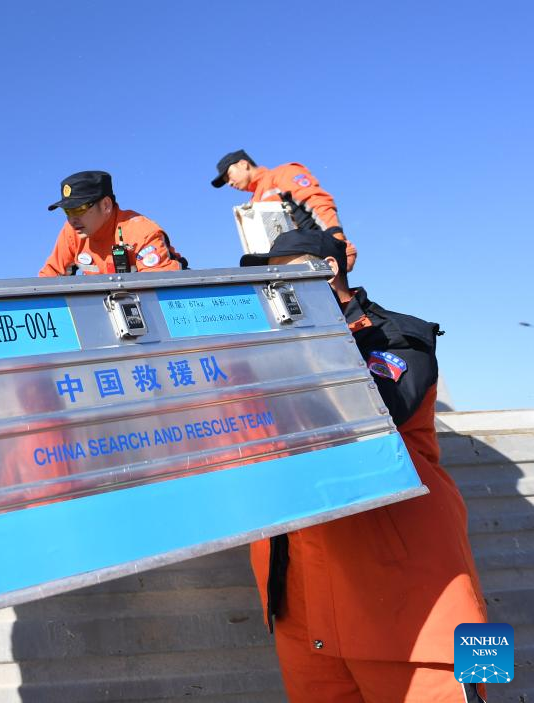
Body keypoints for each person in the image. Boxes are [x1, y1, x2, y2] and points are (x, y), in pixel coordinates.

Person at [240, 229, 487, 702]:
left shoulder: (398, 334)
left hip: (417, 603)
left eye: (281, 270)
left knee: (472, 679)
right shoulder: (261, 352)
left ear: (326, 270)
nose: (270, 285)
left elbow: (369, 416)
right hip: (302, 611)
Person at [213, 149, 358, 271]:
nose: (229, 183)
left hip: (318, 254)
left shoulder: (282, 174)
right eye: (226, 181)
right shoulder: (253, 203)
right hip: (289, 268)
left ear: (243, 164)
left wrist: (337, 239)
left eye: (229, 175)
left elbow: (316, 201)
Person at [39, 170, 188, 276]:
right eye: (67, 211)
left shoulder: (142, 232)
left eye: (78, 209)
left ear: (106, 205)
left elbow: (160, 292)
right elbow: (49, 278)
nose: (72, 220)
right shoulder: (72, 232)